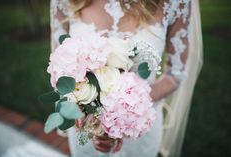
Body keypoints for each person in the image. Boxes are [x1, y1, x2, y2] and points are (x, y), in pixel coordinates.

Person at [50, 0, 203, 157]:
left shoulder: (176, 3)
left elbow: (175, 74)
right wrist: (89, 113)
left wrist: (124, 111)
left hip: (138, 128)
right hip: (85, 128)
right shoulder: (63, 2)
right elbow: (59, 66)